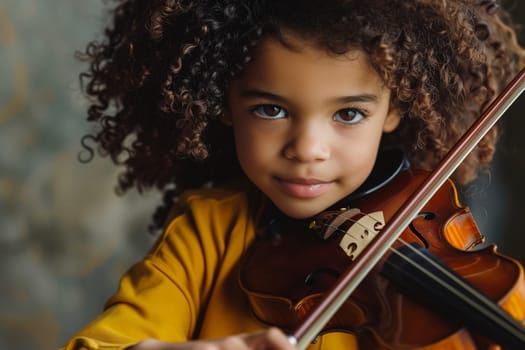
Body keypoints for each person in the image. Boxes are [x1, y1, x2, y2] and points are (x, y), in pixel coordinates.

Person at [63, 0, 525, 349]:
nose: (307, 150)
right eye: (270, 109)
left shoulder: (429, 216)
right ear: (223, 102)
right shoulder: (207, 232)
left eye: (348, 114)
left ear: (396, 109)